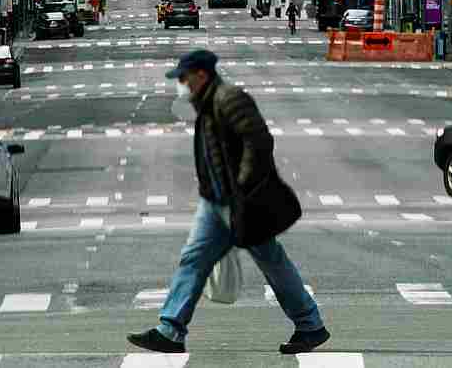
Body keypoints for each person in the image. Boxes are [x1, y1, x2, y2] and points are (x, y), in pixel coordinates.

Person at [127, 50, 329, 355]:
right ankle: (170, 330)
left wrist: (244, 185)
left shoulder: (228, 98)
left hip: (239, 201)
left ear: (202, 75)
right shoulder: (207, 103)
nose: (180, 84)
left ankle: (310, 324)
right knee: (194, 259)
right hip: (216, 202)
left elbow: (259, 140)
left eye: (184, 77)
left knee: (270, 260)